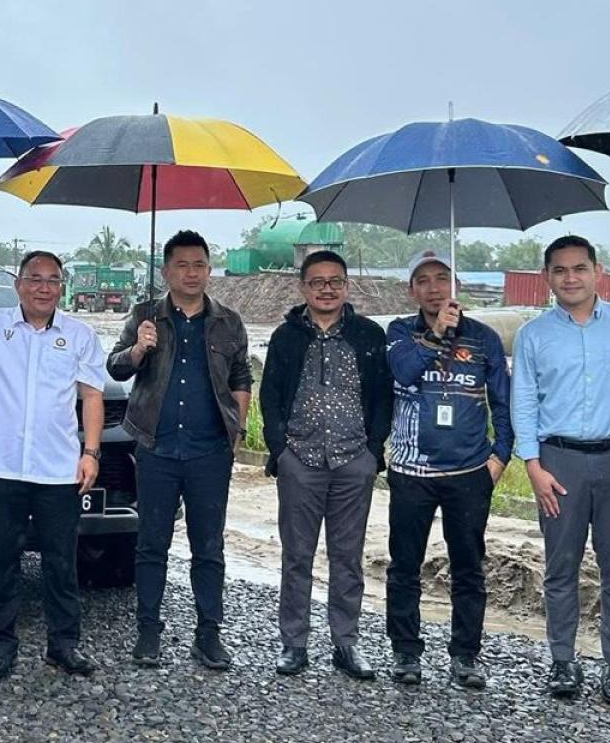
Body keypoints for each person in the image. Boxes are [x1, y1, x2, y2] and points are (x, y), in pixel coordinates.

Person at [0, 249, 104, 681]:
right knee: (1, 559)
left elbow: (91, 396)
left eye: (52, 280)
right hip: (3, 467)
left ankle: (63, 645)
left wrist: (91, 452)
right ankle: (0, 645)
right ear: (19, 284)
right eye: (35, 278)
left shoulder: (80, 335)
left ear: (61, 286)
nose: (43, 287)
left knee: (61, 562)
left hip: (57, 469)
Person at [511, 236, 610, 706]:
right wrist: (532, 464)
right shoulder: (534, 335)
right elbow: (524, 400)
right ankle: (563, 661)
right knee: (560, 566)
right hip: (559, 461)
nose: (570, 278)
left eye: (579, 268)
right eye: (559, 270)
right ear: (547, 277)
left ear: (597, 271)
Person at [106, 230, 251, 671]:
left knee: (209, 546)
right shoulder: (146, 315)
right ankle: (148, 633)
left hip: (210, 450)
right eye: (182, 265)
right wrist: (139, 348)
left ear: (209, 270)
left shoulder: (228, 320)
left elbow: (241, 376)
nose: (192, 273)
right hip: (157, 447)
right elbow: (114, 366)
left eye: (200, 264)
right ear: (166, 271)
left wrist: (238, 429)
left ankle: (208, 636)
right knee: (152, 543)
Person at [258, 249, 392, 680]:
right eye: (317, 282)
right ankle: (293, 644)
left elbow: (382, 396)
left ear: (347, 285)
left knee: (347, 556)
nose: (327, 288)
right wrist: (280, 450)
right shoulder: (286, 337)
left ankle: (346, 643)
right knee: (297, 555)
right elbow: (270, 396)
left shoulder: (368, 335)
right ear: (303, 288)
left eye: (335, 280)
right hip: (300, 459)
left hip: (354, 459)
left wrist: (373, 450)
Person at [384, 251, 513, 689]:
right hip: (411, 470)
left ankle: (466, 655)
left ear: (454, 284)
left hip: (468, 471)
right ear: (412, 290)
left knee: (468, 567)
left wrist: (500, 456)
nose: (434, 287)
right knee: (405, 565)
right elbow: (403, 373)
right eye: (423, 280)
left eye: (442, 278)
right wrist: (436, 334)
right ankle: (405, 651)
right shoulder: (401, 332)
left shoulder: (482, 338)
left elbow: (502, 401)